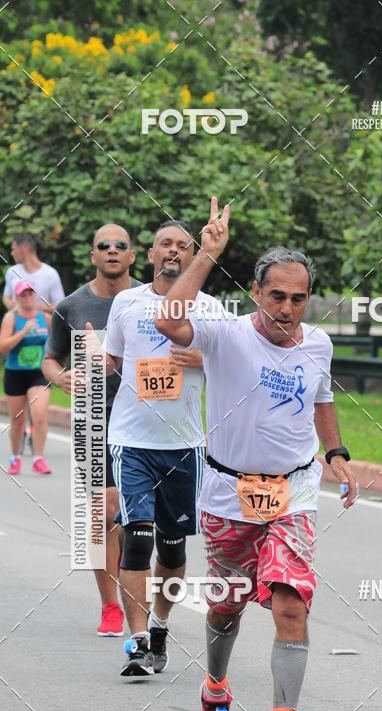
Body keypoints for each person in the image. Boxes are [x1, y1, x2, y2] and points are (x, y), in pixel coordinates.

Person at [156, 198, 358, 711]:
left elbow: (321, 399)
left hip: (293, 492)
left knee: (291, 602)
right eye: (278, 296)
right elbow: (170, 320)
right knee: (226, 609)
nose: (288, 310)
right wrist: (207, 254)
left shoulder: (316, 344)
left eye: (299, 298)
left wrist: (337, 453)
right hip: (227, 492)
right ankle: (216, 686)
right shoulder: (225, 333)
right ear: (254, 292)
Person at [103, 220, 222, 677]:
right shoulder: (126, 303)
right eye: (165, 244)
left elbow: (237, 367)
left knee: (171, 552)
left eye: (183, 246)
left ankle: (159, 625)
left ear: (194, 256)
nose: (173, 251)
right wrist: (92, 365)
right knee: (137, 539)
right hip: (132, 441)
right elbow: (114, 360)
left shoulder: (210, 310)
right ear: (149, 255)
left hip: (184, 446)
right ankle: (134, 642)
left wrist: (203, 358)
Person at [42, 225, 138, 638]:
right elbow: (50, 359)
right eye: (104, 246)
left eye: (121, 246)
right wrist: (60, 379)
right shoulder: (72, 305)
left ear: (133, 256)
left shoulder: (151, 301)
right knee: (102, 514)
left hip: (143, 425)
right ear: (93, 255)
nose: (112, 251)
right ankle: (111, 606)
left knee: (140, 521)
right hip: (94, 421)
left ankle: (139, 597)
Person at [0, 281, 52, 475]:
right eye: (23, 295)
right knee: (17, 420)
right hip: (15, 373)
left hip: (38, 373)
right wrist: (23, 332)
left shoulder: (45, 318)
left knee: (39, 415)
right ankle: (15, 457)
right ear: (17, 298)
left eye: (31, 294)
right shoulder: (10, 318)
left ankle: (39, 458)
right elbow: (2, 347)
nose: (27, 298)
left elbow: (55, 343)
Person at [3, 233, 64, 313]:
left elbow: (60, 307)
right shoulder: (12, 271)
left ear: (24, 249)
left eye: (14, 249)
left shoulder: (50, 274)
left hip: (41, 324)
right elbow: (6, 297)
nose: (12, 253)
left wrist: (32, 307)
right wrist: (13, 306)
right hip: (16, 324)